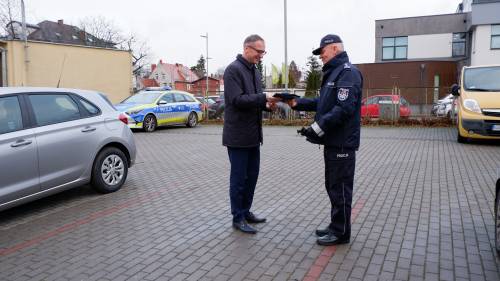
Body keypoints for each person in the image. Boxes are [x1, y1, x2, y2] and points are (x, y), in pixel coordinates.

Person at [287, 34, 363, 245]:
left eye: (323, 51)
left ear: (335, 49)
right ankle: (335, 225)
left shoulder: (348, 73)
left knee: (340, 189)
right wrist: (297, 103)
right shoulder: (334, 74)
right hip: (332, 141)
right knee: (332, 186)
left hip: (342, 143)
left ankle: (341, 233)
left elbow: (344, 108)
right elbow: (324, 102)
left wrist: (317, 127)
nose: (321, 55)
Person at [223, 34, 278, 234]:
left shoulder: (254, 72)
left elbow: (254, 101)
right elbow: (238, 100)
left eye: (263, 52)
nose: (261, 56)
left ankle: (246, 211)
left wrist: (268, 105)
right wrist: (263, 97)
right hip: (237, 137)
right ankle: (237, 218)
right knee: (239, 179)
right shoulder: (232, 71)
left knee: (252, 176)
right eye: (259, 51)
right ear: (247, 49)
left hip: (254, 136)